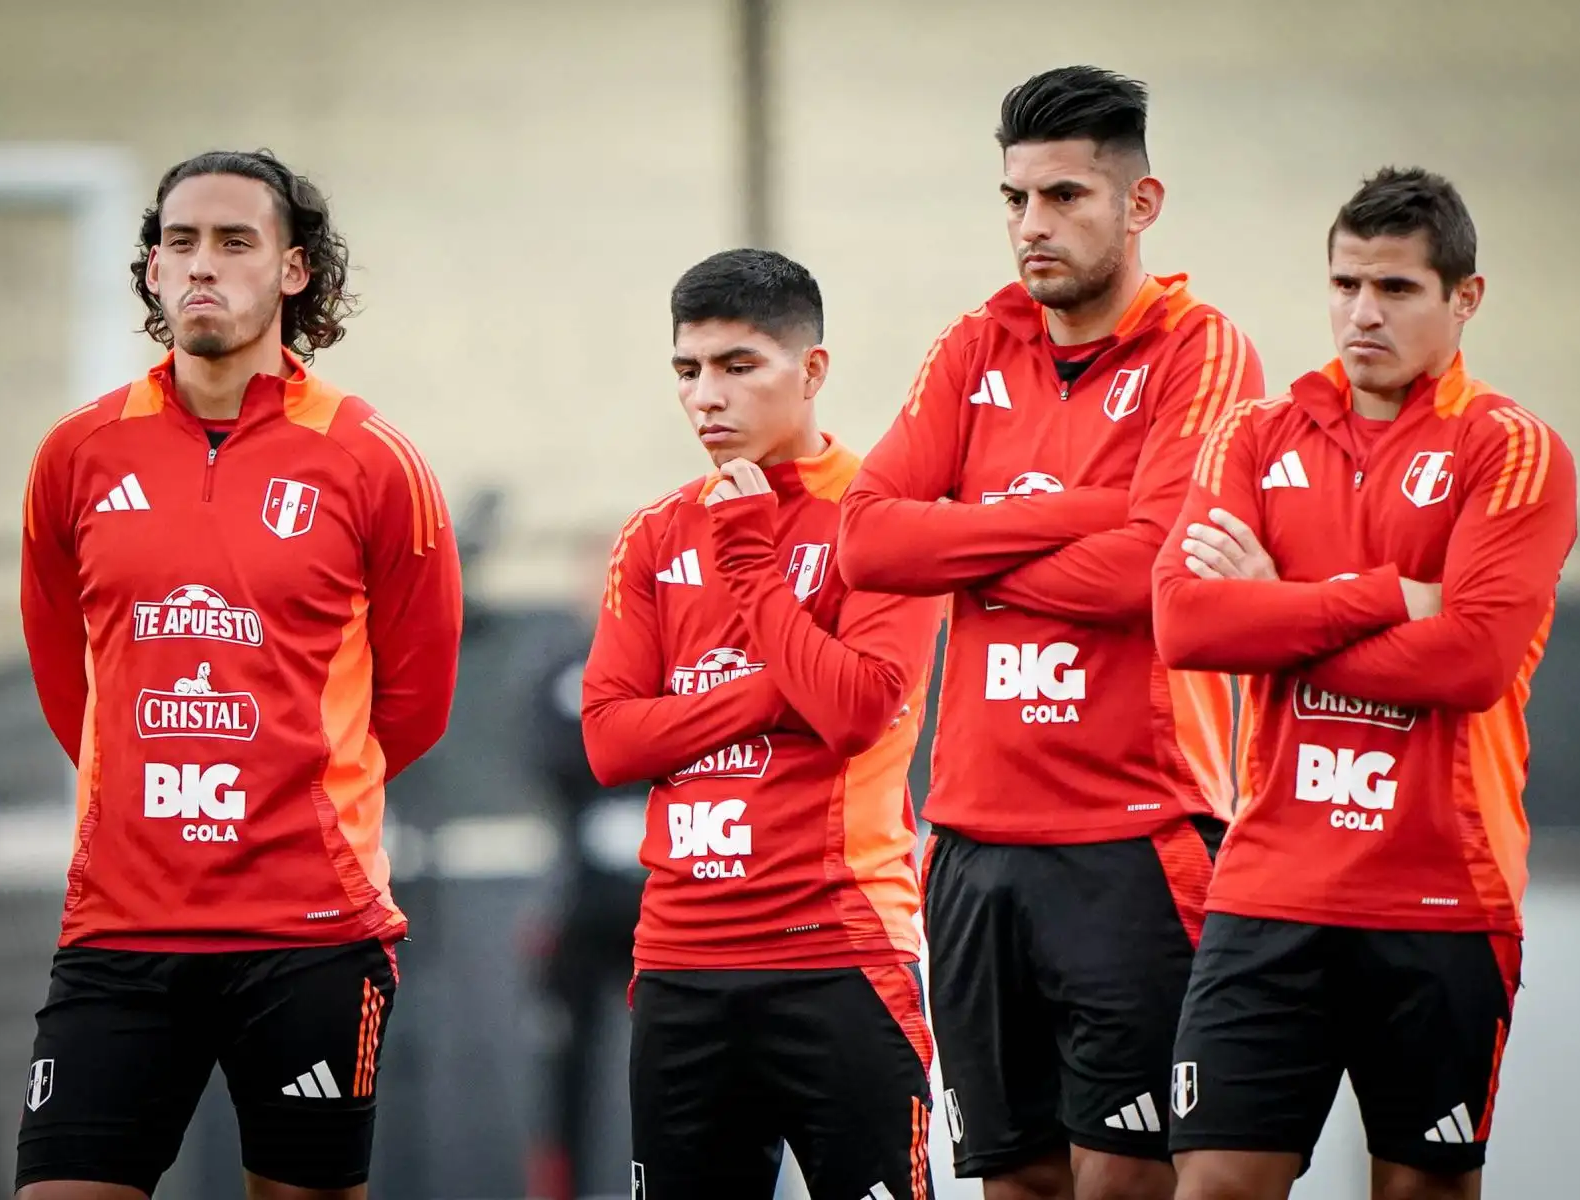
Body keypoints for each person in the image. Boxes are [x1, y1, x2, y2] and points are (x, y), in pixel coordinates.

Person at [837, 67, 1264, 1200]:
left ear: (1141, 202)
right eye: (1016, 199)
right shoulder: (976, 344)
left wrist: (970, 540)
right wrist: (1072, 518)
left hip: (1134, 840)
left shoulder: (1202, 350)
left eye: (1066, 195)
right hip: (973, 849)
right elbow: (870, 540)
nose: (1034, 226)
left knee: (1128, 1180)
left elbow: (1153, 569)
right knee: (1014, 1184)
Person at [15, 149, 463, 1200]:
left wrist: (288, 789)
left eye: (233, 241)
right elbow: (65, 681)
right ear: (152, 271)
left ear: (295, 270)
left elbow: (418, 701)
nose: (201, 266)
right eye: (180, 242)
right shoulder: (77, 455)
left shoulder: (370, 458)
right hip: (120, 930)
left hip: (310, 932)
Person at [1152, 167, 1578, 1200]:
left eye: (1396, 289)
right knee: (1210, 1182)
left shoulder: (1510, 450)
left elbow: (1471, 662)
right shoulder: (1255, 435)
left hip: (1440, 897)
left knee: (1421, 1192)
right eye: (1345, 284)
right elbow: (1187, 623)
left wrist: (1280, 609)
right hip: (1268, 890)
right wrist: (1389, 595)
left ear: (1464, 298)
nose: (1361, 312)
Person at [581, 248, 941, 1200]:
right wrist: (781, 692)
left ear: (811, 371)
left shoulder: (884, 517)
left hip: (840, 952)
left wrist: (749, 573)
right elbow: (612, 742)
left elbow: (860, 710)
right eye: (688, 371)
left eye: (740, 366)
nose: (708, 397)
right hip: (681, 963)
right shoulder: (656, 533)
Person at [523, 530, 650, 1200]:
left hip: (662, 907)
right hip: (578, 904)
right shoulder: (555, 665)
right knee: (565, 1065)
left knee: (669, 1068)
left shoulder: (667, 658)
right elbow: (558, 759)